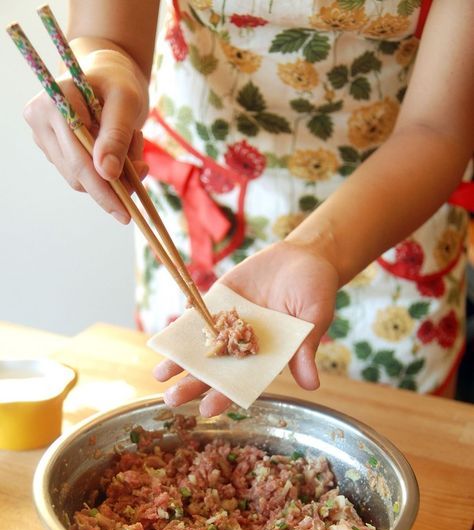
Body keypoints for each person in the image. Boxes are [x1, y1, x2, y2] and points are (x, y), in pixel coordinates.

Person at [24, 0, 473, 417]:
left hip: (392, 216)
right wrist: (105, 67)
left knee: (398, 433)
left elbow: (439, 128)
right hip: (202, 212)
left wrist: (319, 249)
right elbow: (107, 36)